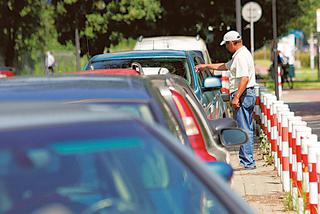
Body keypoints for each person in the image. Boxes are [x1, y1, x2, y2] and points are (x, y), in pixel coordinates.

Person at [196, 30, 256, 169]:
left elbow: (244, 78)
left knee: (243, 128)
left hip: (243, 94)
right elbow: (225, 66)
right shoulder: (240, 55)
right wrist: (206, 66)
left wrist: (236, 97)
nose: (226, 47)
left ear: (232, 43)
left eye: (227, 45)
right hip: (246, 94)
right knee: (247, 127)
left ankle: (248, 162)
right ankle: (248, 161)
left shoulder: (240, 57)